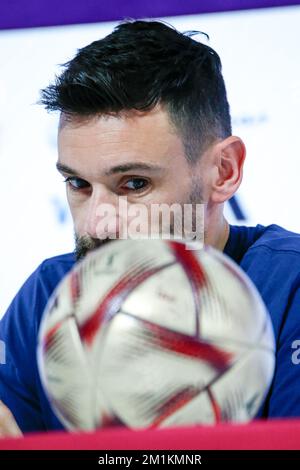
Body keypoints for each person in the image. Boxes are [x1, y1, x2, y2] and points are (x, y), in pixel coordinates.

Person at [0, 20, 300, 437]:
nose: (97, 223)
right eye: (78, 184)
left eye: (134, 184)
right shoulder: (48, 296)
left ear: (223, 171)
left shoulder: (290, 286)